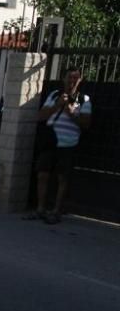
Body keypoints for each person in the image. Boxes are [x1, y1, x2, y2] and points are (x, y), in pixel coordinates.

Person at [26, 66, 91, 224]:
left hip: (68, 144)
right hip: (50, 141)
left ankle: (56, 211)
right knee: (42, 174)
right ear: (64, 78)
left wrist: (70, 112)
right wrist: (57, 105)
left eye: (75, 78)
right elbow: (40, 116)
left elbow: (86, 123)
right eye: (70, 77)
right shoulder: (54, 95)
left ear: (80, 80)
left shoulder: (84, 99)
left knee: (63, 178)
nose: (72, 80)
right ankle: (41, 209)